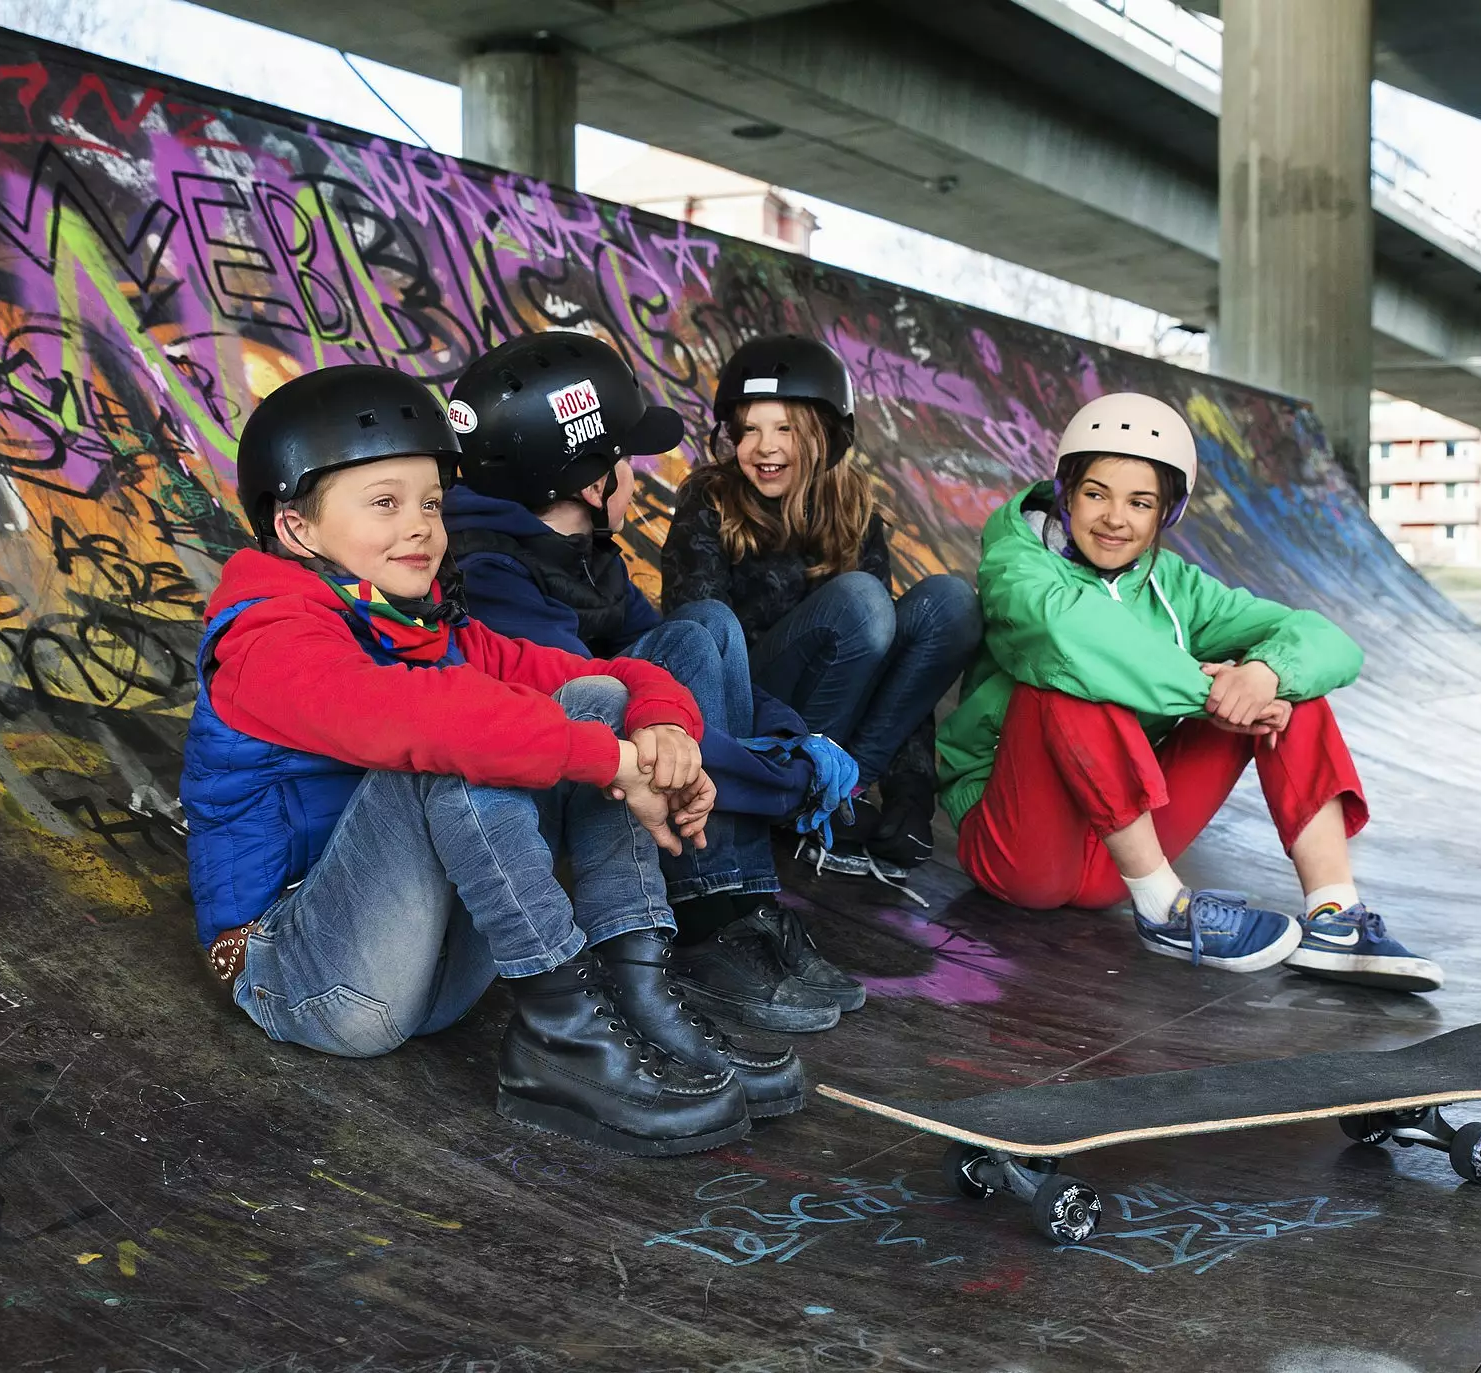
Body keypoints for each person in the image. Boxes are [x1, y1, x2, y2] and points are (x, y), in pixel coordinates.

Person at [180, 363, 799, 1160]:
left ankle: (632, 990)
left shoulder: (431, 628)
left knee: (594, 702)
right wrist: (609, 764)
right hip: (304, 974)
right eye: (384, 503)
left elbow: (619, 680)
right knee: (452, 737)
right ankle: (560, 1035)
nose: (421, 527)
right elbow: (423, 720)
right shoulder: (264, 640)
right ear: (299, 529)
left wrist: (663, 734)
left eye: (431, 502)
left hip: (429, 974)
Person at [937, 393, 1443, 992]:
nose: (1115, 518)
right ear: (1067, 492)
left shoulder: (1174, 586)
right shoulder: (1019, 563)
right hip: (1019, 848)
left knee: (1288, 684)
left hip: (1115, 855)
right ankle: (1164, 911)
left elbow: (1328, 641)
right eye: (1096, 494)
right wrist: (1211, 697)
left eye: (1140, 502)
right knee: (1068, 681)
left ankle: (1336, 918)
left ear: (1165, 515)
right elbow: (1066, 634)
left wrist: (1260, 678)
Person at [444, 332, 861, 1036]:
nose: (636, 478)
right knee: (692, 634)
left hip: (636, 774)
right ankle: (706, 923)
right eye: (625, 461)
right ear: (587, 481)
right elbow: (596, 707)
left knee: (703, 624)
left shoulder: (586, 555)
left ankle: (741, 903)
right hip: (564, 788)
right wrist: (779, 776)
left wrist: (796, 738)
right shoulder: (490, 571)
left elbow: (668, 662)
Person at [661, 334, 983, 882]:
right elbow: (703, 645)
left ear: (827, 437)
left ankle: (846, 788)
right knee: (861, 602)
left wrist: (911, 791)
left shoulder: (855, 508)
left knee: (949, 603)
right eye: (750, 429)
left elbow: (894, 666)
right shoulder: (710, 498)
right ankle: (795, 789)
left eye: (785, 428)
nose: (765, 446)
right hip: (750, 712)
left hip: (836, 720)